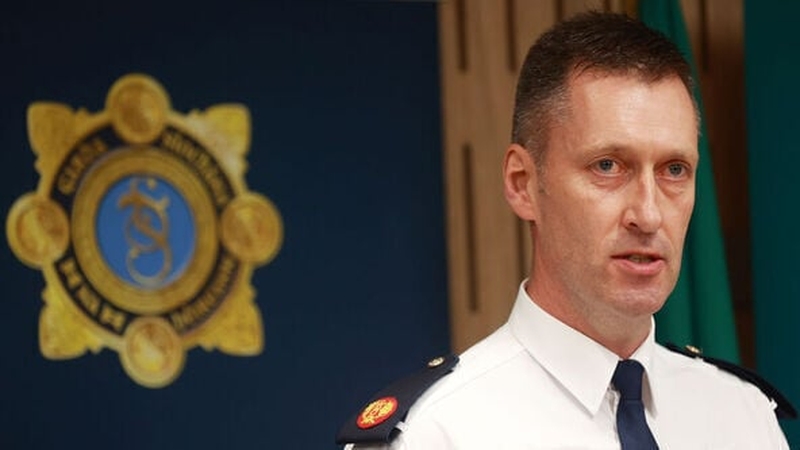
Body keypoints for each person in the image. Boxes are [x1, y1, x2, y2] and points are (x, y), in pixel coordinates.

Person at [337, 11, 793, 449]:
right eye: (608, 166)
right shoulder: (438, 434)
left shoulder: (744, 416)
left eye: (674, 169)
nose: (649, 215)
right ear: (523, 185)